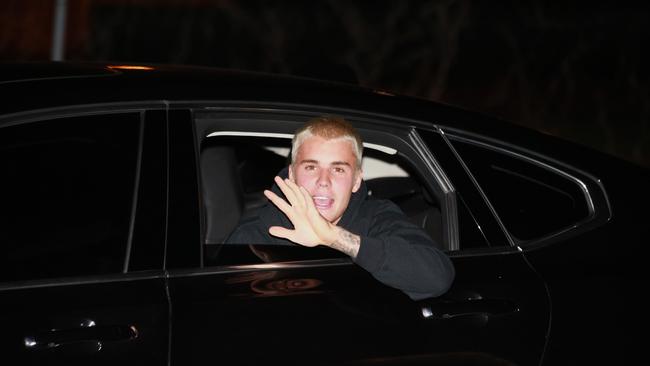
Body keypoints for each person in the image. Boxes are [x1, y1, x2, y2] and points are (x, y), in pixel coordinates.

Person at [226, 115, 455, 300]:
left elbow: (437, 277)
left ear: (356, 181)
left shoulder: (378, 218)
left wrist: (333, 237)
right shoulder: (255, 233)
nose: (323, 181)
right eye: (311, 167)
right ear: (292, 175)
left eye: (338, 169)